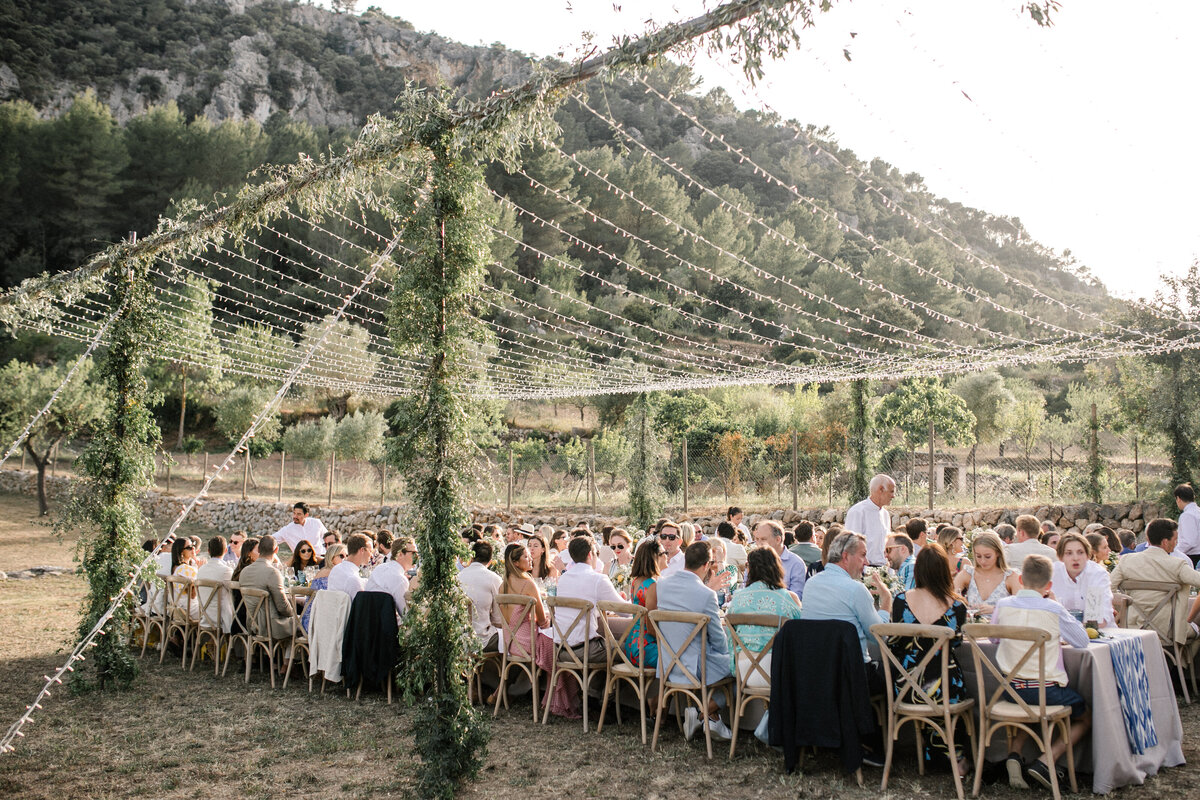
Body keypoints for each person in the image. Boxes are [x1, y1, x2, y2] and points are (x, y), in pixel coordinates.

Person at [991, 554, 1091, 790]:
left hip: (1010, 689)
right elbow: (1082, 641)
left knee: (1032, 707)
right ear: (1049, 585)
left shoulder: (1003, 605)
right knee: (1084, 715)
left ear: (1020, 579)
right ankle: (1046, 761)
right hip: (1045, 690)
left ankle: (1014, 755)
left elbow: (994, 638)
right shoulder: (1053, 608)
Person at [888, 543, 970, 776]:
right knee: (951, 682)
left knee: (930, 679)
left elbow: (894, 642)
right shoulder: (956, 606)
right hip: (943, 687)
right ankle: (953, 756)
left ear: (918, 571)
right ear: (945, 571)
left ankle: (931, 754)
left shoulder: (901, 600)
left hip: (905, 687)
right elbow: (955, 644)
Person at [655, 540, 734, 742]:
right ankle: (705, 712)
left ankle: (708, 717)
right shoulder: (707, 595)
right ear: (707, 565)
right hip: (696, 668)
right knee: (740, 666)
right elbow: (719, 642)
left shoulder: (662, 585)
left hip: (667, 666)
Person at [801, 532, 891, 665]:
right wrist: (887, 601)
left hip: (817, 673)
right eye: (863, 555)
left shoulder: (810, 584)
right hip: (853, 674)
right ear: (846, 557)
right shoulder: (856, 589)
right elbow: (879, 635)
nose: (867, 562)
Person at [1110, 518, 1200, 642]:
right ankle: (1182, 661)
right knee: (1196, 629)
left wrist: (1121, 611)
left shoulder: (1127, 561)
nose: (1176, 544)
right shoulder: (1177, 565)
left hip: (1132, 628)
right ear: (1165, 542)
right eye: (1175, 540)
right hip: (1167, 630)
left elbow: (1107, 589)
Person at [727, 547, 801, 688]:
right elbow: (800, 635)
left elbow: (732, 638)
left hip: (744, 671)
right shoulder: (787, 598)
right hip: (778, 672)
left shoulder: (738, 598)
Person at [553, 537, 623, 664]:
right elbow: (625, 611)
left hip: (561, 651)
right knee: (631, 650)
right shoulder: (598, 579)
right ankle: (611, 684)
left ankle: (594, 683)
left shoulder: (563, 579)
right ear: (590, 554)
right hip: (586, 651)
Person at [236, 535, 295, 640]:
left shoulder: (244, 571)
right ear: (276, 550)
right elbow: (282, 607)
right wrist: (293, 613)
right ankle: (289, 656)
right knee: (303, 621)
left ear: (259, 549)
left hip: (252, 624)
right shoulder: (272, 572)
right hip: (271, 626)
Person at [1050, 533, 1114, 627]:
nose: (1075, 558)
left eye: (1080, 552)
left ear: (1088, 555)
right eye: (1069, 553)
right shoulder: (1052, 573)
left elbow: (1098, 620)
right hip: (1060, 633)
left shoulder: (1097, 574)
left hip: (1100, 634)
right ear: (1061, 557)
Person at [625, 537, 667, 668]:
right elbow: (651, 627)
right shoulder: (652, 585)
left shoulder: (636, 581)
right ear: (655, 557)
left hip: (631, 645)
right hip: (645, 649)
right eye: (664, 553)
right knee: (681, 660)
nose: (667, 556)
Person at [954, 531, 1018, 615]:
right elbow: (952, 599)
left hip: (1001, 627)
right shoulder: (968, 573)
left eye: (988, 556)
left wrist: (996, 610)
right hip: (972, 627)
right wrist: (963, 609)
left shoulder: (1010, 576)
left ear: (998, 553)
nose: (983, 561)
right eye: (978, 556)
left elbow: (1021, 608)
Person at [457, 541, 503, 651]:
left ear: (471, 558)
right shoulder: (494, 579)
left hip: (458, 638)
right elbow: (498, 619)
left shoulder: (459, 576)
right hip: (482, 639)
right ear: (490, 562)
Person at [844, 473, 896, 567]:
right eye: (891, 491)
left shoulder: (885, 514)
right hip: (864, 567)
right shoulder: (858, 511)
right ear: (881, 489)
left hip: (883, 567)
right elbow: (851, 544)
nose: (893, 496)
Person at [365, 535, 416, 619]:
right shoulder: (400, 579)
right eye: (413, 553)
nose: (417, 556)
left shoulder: (379, 568)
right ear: (400, 554)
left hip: (368, 624)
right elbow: (406, 615)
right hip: (385, 627)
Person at [752, 520, 805, 599]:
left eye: (763, 539)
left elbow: (797, 597)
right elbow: (746, 588)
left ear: (778, 540)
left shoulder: (796, 563)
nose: (758, 544)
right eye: (756, 539)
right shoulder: (753, 560)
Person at [301, 543, 346, 633]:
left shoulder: (326, 570)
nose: (345, 559)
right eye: (341, 556)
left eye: (347, 556)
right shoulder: (331, 572)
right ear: (332, 557)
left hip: (315, 619)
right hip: (315, 623)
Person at [196, 536, 234, 633]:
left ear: (208, 551)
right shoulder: (226, 570)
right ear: (226, 550)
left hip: (205, 616)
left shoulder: (200, 570)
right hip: (221, 617)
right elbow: (234, 591)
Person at [327, 532, 371, 602]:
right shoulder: (354, 579)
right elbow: (360, 606)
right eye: (370, 551)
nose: (371, 555)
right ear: (362, 550)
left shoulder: (335, 569)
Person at [169, 537, 200, 621]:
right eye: (189, 547)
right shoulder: (184, 569)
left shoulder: (178, 567)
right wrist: (201, 569)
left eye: (193, 545)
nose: (193, 548)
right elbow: (193, 595)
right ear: (181, 551)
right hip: (190, 609)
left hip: (182, 607)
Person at [1175, 484, 1200, 566]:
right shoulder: (1197, 511)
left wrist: (1174, 552)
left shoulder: (1187, 515)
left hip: (1192, 557)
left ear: (1178, 498)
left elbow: (1189, 542)